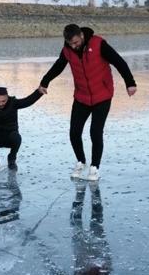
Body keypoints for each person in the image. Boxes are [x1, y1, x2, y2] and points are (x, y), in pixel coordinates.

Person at [39, 24, 137, 181]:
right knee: (74, 132)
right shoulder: (68, 51)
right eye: (70, 43)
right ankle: (81, 161)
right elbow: (58, 66)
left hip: (102, 95)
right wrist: (45, 81)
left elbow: (119, 62)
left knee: (95, 132)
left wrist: (130, 82)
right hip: (81, 96)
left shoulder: (98, 44)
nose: (74, 46)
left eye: (76, 42)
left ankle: (94, 167)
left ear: (82, 36)